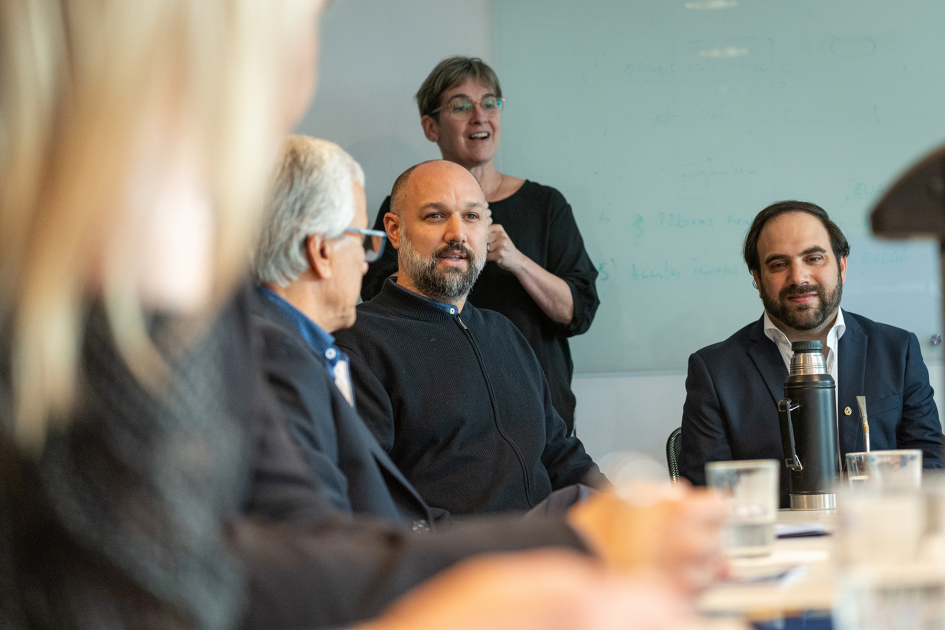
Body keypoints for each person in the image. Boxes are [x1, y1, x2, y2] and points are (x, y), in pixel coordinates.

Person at [0, 2, 723, 629]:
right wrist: (555, 563)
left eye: (472, 216)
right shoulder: (276, 332)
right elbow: (183, 582)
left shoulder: (214, 310)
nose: (309, 54)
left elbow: (276, 545)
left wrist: (587, 538)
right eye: (307, 17)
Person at [335, 159, 605, 517]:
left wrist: (627, 512)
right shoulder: (358, 344)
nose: (457, 235)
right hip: (460, 565)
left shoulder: (505, 334)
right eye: (435, 216)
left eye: (472, 217)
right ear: (394, 230)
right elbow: (374, 499)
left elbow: (559, 454)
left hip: (549, 555)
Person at [360, 56, 598, 435]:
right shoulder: (405, 206)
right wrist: (443, 257)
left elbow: (578, 312)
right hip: (440, 418)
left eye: (489, 103)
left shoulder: (546, 205)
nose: (480, 117)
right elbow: (377, 297)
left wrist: (517, 261)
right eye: (461, 106)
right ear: (430, 126)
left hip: (540, 416)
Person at [679, 200, 945, 506]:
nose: (799, 277)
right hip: (777, 547)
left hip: (876, 538)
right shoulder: (714, 370)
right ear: (757, 278)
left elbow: (932, 466)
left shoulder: (898, 351)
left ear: (841, 266)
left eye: (814, 258)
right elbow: (706, 493)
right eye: (778, 264)